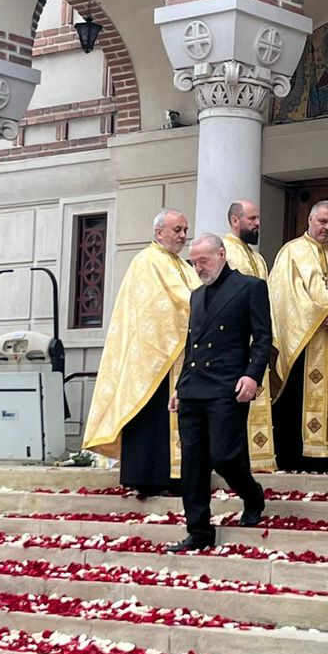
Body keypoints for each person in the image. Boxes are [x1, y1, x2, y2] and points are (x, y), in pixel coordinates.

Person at [83, 210, 199, 494]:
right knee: (150, 415)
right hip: (152, 353)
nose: (183, 235)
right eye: (177, 229)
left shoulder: (180, 265)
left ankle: (173, 478)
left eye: (185, 230)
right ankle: (147, 478)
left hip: (175, 354)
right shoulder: (147, 261)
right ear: (159, 232)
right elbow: (167, 303)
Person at [167, 235, 272, 551]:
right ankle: (198, 531)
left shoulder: (250, 287)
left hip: (228, 386)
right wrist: (179, 387)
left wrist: (252, 376)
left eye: (204, 260)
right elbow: (192, 345)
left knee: (225, 456)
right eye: (194, 262)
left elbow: (263, 338)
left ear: (222, 254)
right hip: (194, 389)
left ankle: (252, 496)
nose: (198, 267)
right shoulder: (196, 296)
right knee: (193, 464)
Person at [267, 200, 328, 471]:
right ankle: (295, 457)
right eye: (322, 222)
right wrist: (318, 316)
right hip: (301, 344)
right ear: (310, 220)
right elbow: (284, 297)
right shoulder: (291, 252)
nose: (327, 228)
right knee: (295, 398)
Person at [222, 200, 275, 472]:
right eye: (252, 218)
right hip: (236, 342)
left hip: (256, 342)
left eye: (258, 218)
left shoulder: (257, 257)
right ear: (235, 220)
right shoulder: (225, 251)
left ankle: (255, 461)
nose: (257, 224)